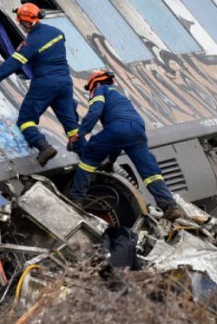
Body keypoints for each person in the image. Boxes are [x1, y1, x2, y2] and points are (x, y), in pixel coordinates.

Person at [68, 70, 184, 221]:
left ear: (94, 83)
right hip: (137, 129)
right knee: (150, 172)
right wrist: (110, 162)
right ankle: (169, 206)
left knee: (88, 159)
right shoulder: (119, 95)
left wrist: (80, 133)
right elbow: (118, 142)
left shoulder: (99, 90)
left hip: (119, 128)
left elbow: (95, 112)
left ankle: (76, 200)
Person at [0, 3, 80, 166]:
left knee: (26, 120)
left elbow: (13, 63)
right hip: (64, 82)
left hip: (45, 83)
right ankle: (90, 154)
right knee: (71, 125)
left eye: (21, 22)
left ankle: (43, 146)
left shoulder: (32, 41)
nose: (21, 26)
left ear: (26, 22)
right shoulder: (57, 33)